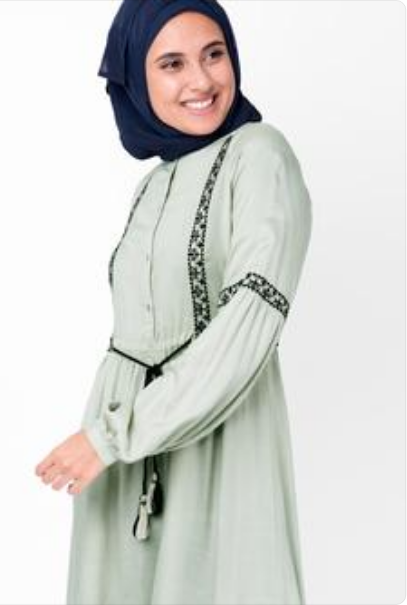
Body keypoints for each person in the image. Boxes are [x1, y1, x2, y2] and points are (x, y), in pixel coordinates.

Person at [35, 1, 313, 603]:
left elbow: (249, 322)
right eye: (171, 64)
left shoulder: (260, 154)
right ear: (136, 78)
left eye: (214, 54)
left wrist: (114, 435)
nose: (201, 81)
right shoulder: (153, 184)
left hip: (215, 444)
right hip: (119, 465)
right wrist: (109, 438)